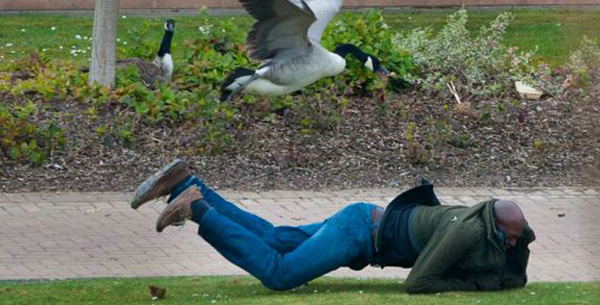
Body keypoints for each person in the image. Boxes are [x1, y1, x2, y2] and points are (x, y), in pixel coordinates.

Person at [131, 159, 535, 294]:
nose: (512, 242)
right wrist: (472, 286)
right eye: (508, 236)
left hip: (361, 221)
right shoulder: (464, 230)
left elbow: (515, 274)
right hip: (358, 233)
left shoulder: (485, 222)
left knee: (274, 238)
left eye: (516, 237)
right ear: (491, 223)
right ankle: (196, 209)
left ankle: (186, 183)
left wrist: (518, 247)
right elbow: (418, 283)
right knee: (279, 274)